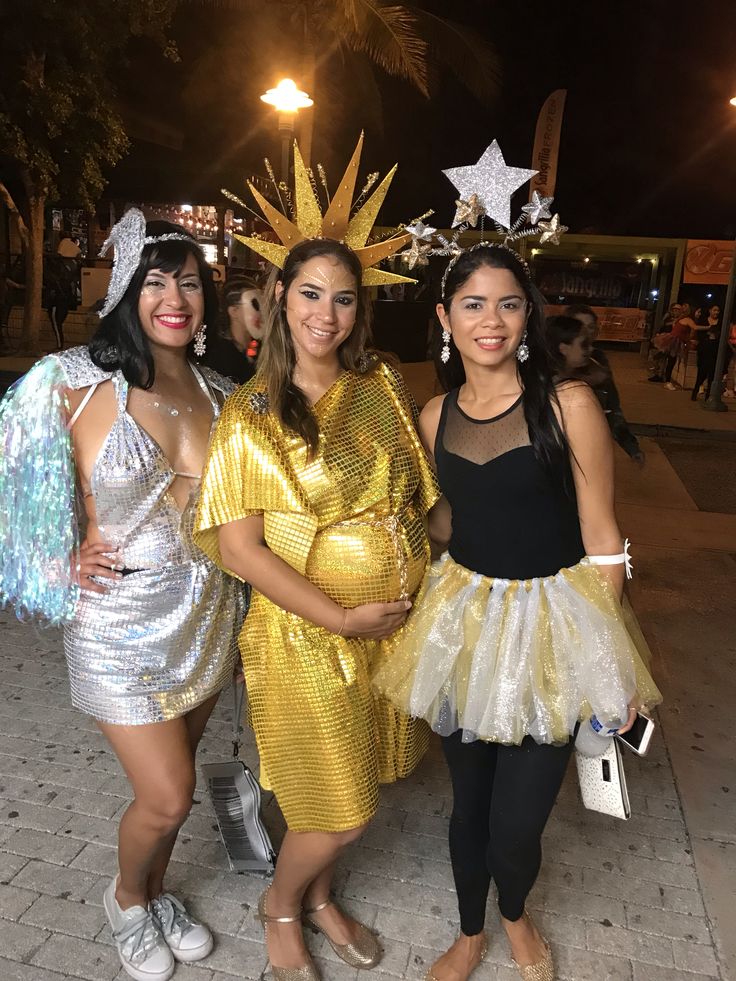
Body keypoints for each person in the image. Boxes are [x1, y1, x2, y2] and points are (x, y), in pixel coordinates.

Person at [374, 244, 661, 981]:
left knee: (515, 823)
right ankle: (472, 931)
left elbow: (603, 540)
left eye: (507, 303)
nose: (491, 320)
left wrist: (610, 666)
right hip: (466, 624)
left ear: (528, 313)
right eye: (472, 304)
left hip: (555, 630)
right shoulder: (435, 415)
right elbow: (447, 524)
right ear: (445, 317)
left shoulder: (568, 403)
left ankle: (515, 911)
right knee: (468, 804)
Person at [0, 209, 246, 981]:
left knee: (176, 771)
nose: (175, 297)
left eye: (190, 282)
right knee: (169, 795)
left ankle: (158, 890)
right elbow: (13, 480)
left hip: (208, 615)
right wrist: (55, 558)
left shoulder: (220, 391)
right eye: (156, 280)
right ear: (127, 289)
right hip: (116, 620)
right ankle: (127, 900)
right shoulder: (71, 380)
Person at [194, 236, 439, 980]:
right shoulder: (251, 413)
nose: (324, 313)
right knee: (344, 807)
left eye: (342, 297)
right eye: (309, 293)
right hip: (306, 635)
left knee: (344, 780)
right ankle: (280, 904)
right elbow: (241, 551)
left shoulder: (382, 386)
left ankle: (322, 895)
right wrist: (340, 617)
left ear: (358, 309)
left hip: (387, 634)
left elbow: (422, 500)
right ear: (278, 296)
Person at [556, 306, 644, 463]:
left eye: (590, 327)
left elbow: (612, 406)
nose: (586, 332)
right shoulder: (545, 371)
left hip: (588, 449)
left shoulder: (598, 362)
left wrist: (630, 446)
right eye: (579, 326)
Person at [199, 276, 264, 383]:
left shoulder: (260, 349)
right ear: (234, 311)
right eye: (255, 305)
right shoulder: (220, 359)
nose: (262, 312)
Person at [691, 304, 721, 401]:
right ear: (710, 310)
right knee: (702, 372)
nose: (716, 312)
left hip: (714, 350)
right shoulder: (704, 320)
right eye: (714, 310)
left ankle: (708, 396)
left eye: (718, 311)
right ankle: (695, 392)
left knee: (712, 374)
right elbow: (697, 331)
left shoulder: (720, 323)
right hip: (704, 349)